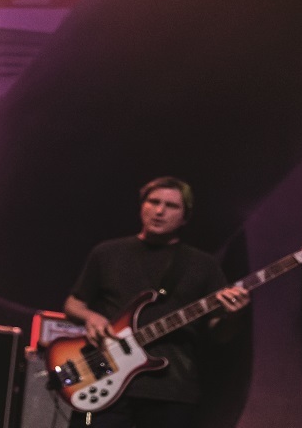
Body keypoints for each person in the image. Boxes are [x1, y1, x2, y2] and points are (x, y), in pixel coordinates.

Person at [62, 177, 250, 428]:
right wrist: (91, 317)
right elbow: (73, 304)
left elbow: (221, 334)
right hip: (106, 381)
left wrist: (234, 316)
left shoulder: (203, 265)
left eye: (171, 206)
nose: (160, 211)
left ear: (185, 217)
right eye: (154, 202)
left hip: (172, 391)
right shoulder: (107, 253)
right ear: (142, 206)